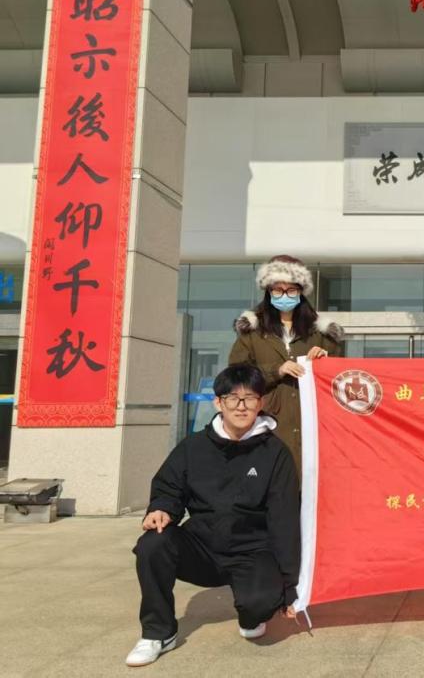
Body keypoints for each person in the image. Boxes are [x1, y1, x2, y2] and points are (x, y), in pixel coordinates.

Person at [125, 364, 300, 667]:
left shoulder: (275, 453)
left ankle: (252, 613)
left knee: (259, 605)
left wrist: (290, 587)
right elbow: (169, 487)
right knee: (153, 544)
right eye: (233, 398)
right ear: (218, 402)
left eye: (250, 398)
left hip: (252, 551)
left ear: (261, 402)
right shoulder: (193, 447)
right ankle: (158, 633)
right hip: (202, 547)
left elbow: (284, 520)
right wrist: (161, 508)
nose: (241, 406)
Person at [229, 255, 343, 469]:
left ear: (301, 292)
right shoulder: (252, 333)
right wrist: (276, 370)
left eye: (291, 290)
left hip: (312, 426)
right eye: (277, 290)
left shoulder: (320, 333)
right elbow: (236, 377)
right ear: (268, 291)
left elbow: (341, 380)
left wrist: (324, 363)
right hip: (266, 425)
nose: (284, 295)